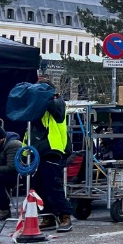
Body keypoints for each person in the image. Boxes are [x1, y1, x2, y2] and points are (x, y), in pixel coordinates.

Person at [26, 75, 73, 232]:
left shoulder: (57, 102)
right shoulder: (35, 108)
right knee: (38, 187)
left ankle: (65, 216)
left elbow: (57, 112)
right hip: (35, 151)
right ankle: (48, 216)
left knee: (53, 185)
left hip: (52, 149)